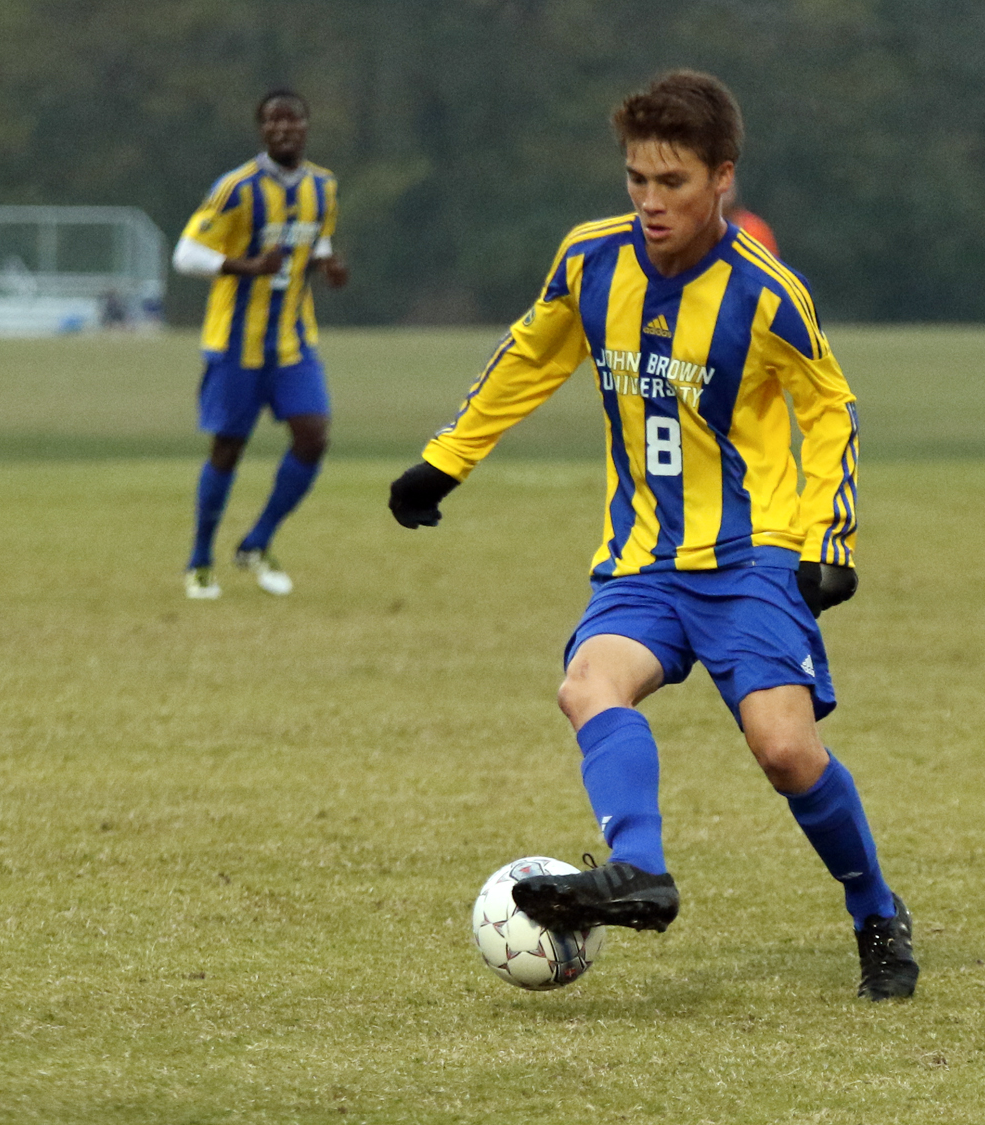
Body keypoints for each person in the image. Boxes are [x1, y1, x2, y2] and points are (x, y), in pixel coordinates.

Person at [386, 71, 918, 1001]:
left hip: (752, 558)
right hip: (641, 560)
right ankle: (638, 869)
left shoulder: (765, 293)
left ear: (723, 179)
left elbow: (829, 407)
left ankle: (875, 909)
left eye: (671, 182)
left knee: (786, 752)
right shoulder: (592, 261)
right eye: (636, 179)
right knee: (588, 684)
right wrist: (446, 459)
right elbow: (528, 355)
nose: (649, 201)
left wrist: (830, 540)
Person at [172, 89, 347, 599]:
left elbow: (316, 239)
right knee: (228, 448)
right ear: (261, 130)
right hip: (235, 344)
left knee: (313, 435)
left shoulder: (324, 186)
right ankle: (200, 560)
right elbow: (187, 253)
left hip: (294, 342)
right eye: (273, 121)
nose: (284, 129)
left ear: (307, 127)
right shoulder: (235, 188)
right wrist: (245, 266)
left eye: (293, 120)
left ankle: (257, 541)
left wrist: (326, 265)